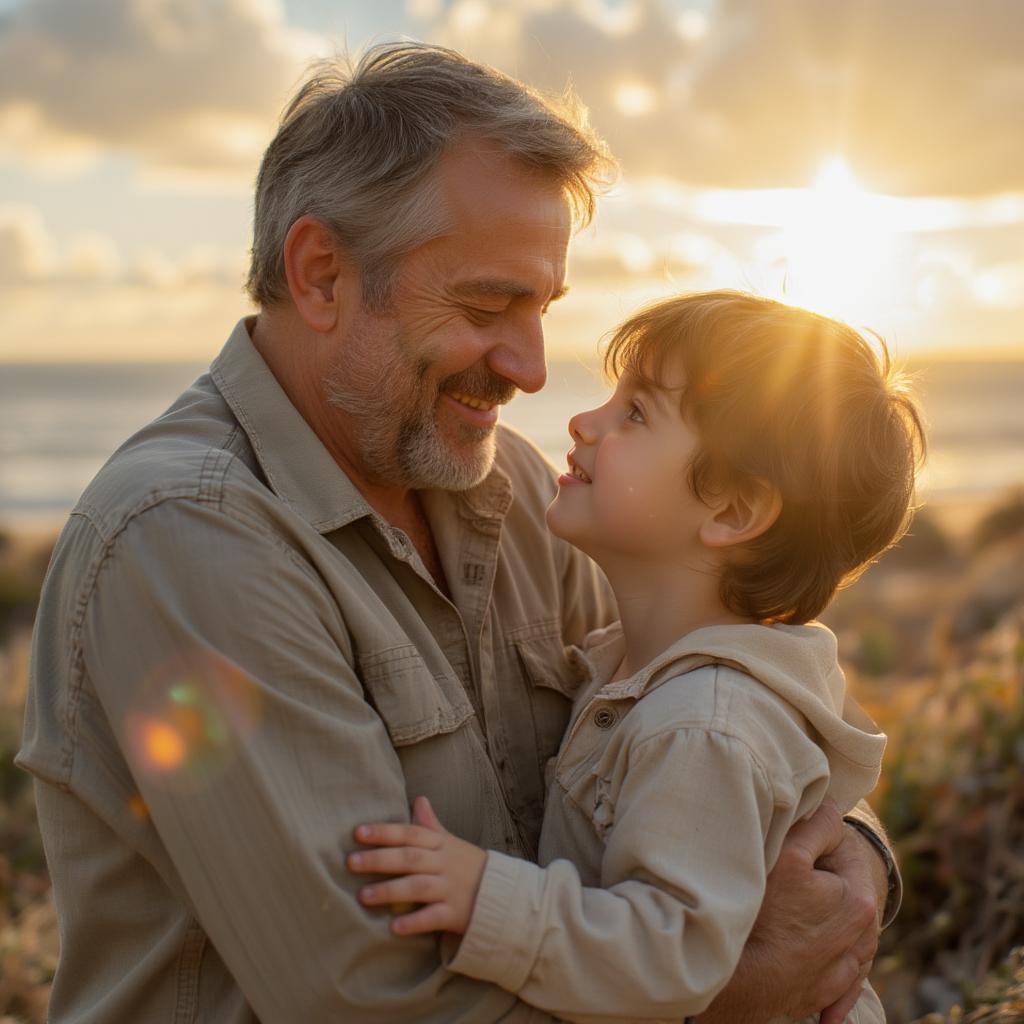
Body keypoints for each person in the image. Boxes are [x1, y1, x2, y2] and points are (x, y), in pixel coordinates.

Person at [18, 44, 895, 1023]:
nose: (529, 366)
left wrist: (853, 851)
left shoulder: (514, 487)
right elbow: (377, 1001)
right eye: (488, 306)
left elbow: (705, 717)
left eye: (543, 307)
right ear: (320, 276)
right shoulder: (189, 541)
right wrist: (728, 993)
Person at [348, 291, 925, 1023]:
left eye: (638, 414)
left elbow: (670, 955)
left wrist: (483, 897)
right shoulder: (633, 668)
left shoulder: (703, 724)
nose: (584, 422)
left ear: (733, 511)